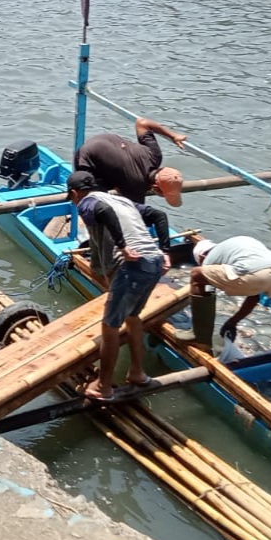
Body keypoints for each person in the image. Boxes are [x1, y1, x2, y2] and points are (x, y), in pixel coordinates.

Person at [66, 171, 169, 401]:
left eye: (72, 198)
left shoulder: (87, 203)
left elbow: (103, 212)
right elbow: (159, 215)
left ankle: (103, 386)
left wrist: (122, 246)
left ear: (74, 194)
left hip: (131, 266)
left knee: (110, 326)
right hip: (153, 261)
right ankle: (137, 372)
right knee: (133, 317)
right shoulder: (122, 200)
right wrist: (166, 250)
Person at [188, 236, 271, 357]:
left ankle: (201, 339)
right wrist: (232, 322)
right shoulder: (234, 248)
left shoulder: (209, 259)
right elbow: (254, 297)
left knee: (196, 274)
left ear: (202, 257)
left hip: (255, 274)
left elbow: (208, 291)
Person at [74, 116, 187, 208]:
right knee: (99, 203)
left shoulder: (155, 155)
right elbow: (135, 213)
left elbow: (141, 122)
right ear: (155, 187)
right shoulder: (136, 186)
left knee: (118, 178)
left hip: (106, 139)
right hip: (86, 159)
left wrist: (173, 135)